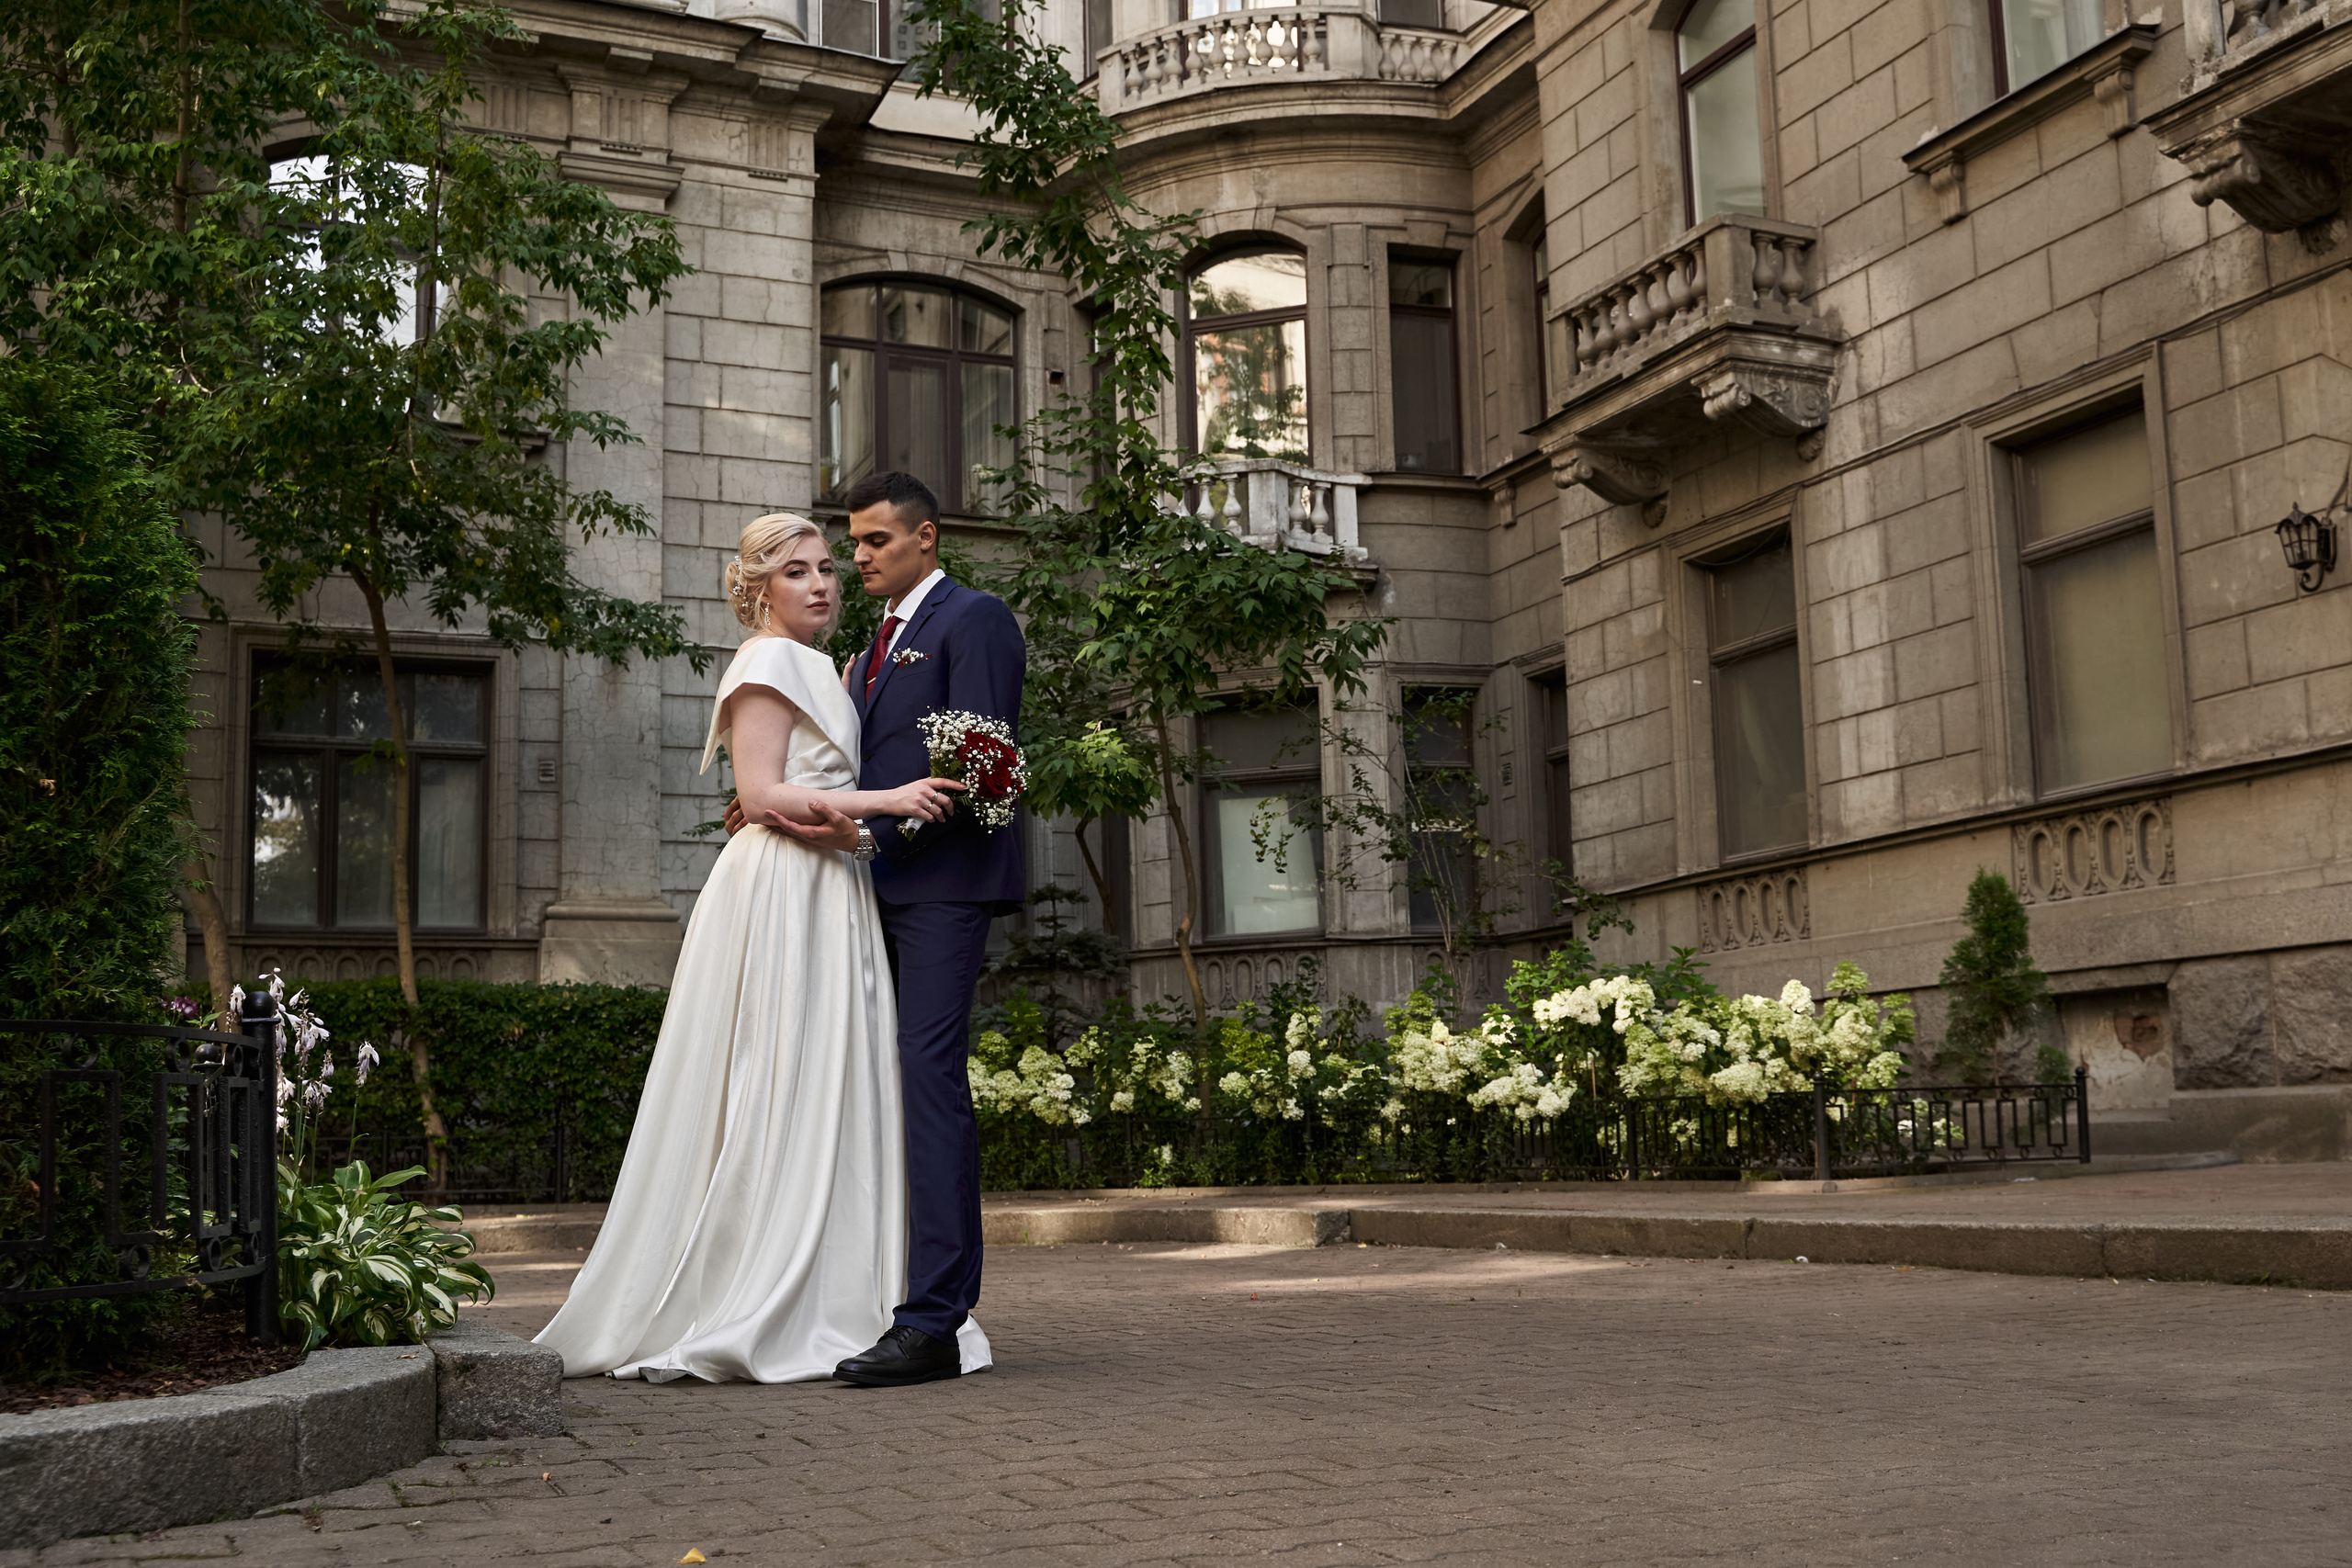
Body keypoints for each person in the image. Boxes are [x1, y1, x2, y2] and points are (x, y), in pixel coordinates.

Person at [533, 512, 990, 1383]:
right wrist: (887, 801)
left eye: (827, 568)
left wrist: (852, 832)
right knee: (776, 1074)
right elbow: (760, 790)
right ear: (758, 588)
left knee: (823, 1080)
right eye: (797, 571)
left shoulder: (831, 667)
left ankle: (830, 1283)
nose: (822, 583)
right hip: (783, 888)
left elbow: (799, 792)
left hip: (830, 880)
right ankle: (762, 1280)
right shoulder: (770, 658)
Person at [746, 470, 1026, 1389]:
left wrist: (876, 830)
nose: (856, 558)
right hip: (870, 888)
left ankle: (935, 1321)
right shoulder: (869, 652)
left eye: (871, 542)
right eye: (850, 545)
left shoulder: (973, 619)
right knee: (870, 1085)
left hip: (942, 888)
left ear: (927, 537)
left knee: (927, 1078)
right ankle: (869, 1294)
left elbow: (983, 766)